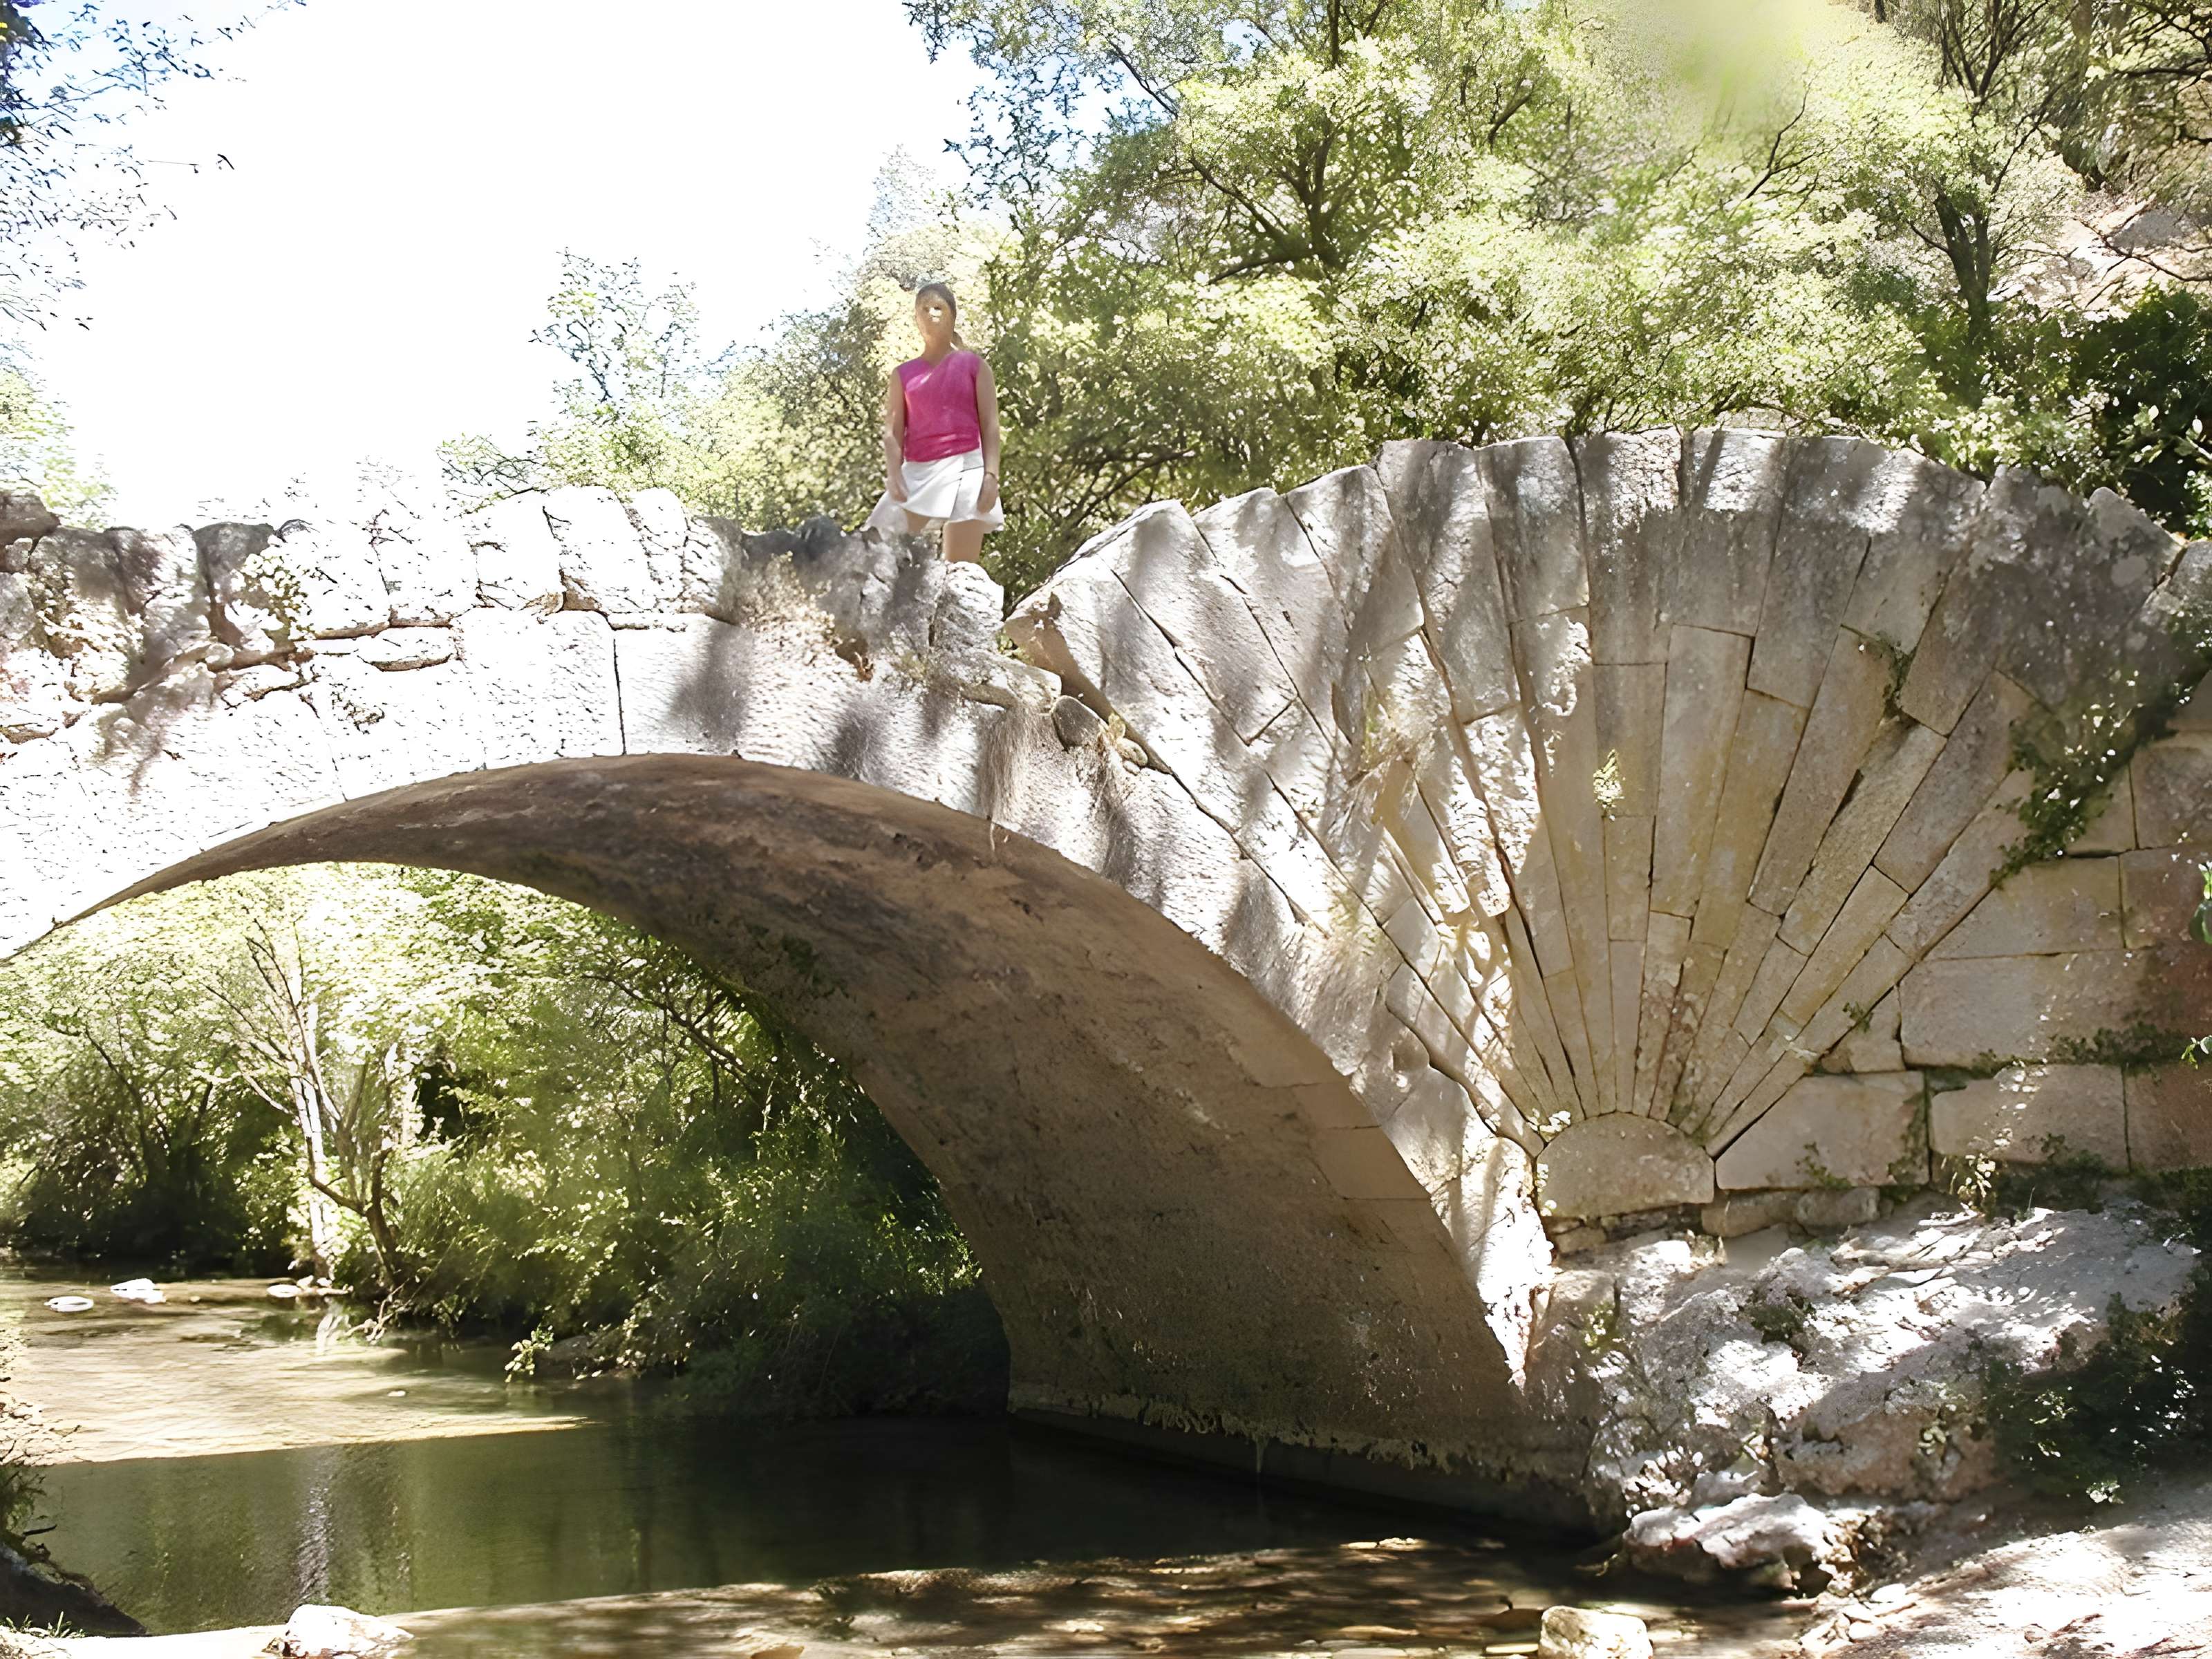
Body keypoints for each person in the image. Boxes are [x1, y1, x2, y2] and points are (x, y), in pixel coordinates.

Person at [866, 282, 1003, 563]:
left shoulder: (974, 365)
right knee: (875, 547)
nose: (931, 314)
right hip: (916, 472)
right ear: (916, 319)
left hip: (969, 469)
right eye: (923, 309)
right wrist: (894, 474)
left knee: (960, 571)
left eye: (938, 308)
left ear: (952, 315)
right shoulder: (903, 374)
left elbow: (990, 425)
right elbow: (892, 432)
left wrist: (991, 477)